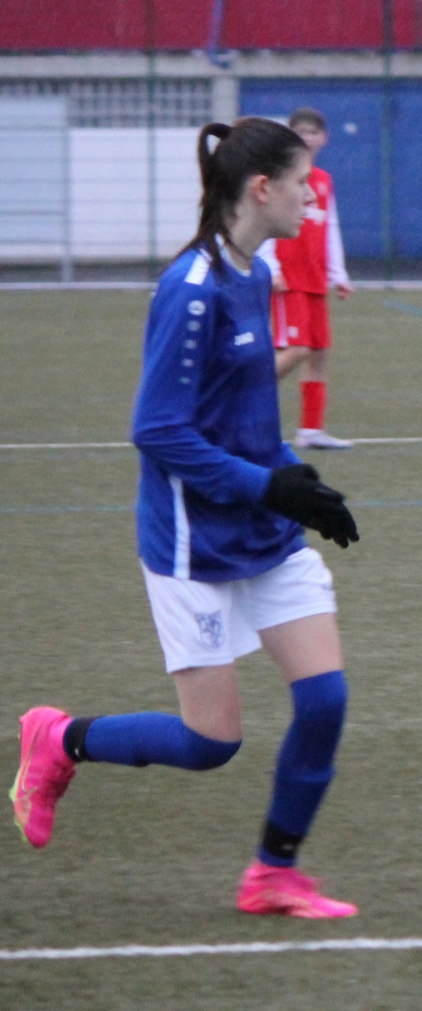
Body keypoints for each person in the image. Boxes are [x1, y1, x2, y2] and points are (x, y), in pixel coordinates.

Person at [11, 118, 364, 918]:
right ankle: (58, 739)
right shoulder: (192, 288)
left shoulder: (254, 271)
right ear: (262, 190)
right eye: (303, 182)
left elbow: (240, 408)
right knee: (212, 743)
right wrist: (266, 487)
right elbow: (159, 430)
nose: (314, 195)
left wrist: (291, 477)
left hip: (261, 530)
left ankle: (274, 873)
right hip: (192, 543)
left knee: (325, 700)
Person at [258, 107, 352, 449]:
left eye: (313, 131)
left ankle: (311, 430)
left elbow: (330, 228)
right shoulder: (280, 176)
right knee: (295, 349)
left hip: (315, 278)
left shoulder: (324, 180)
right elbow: (265, 219)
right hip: (289, 277)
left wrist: (338, 273)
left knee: (319, 352)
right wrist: (271, 266)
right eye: (300, 131)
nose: (307, 137)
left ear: (324, 138)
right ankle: (240, 398)